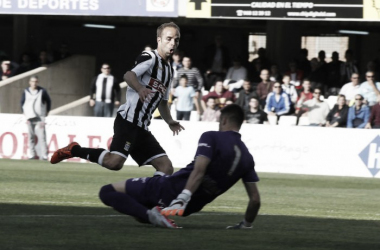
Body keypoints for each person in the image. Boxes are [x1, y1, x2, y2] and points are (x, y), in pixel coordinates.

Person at [50, 22, 184, 176]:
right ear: (159, 39)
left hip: (141, 128)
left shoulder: (169, 71)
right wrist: (140, 88)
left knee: (166, 168)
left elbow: (162, 102)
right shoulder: (149, 57)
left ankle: (152, 198)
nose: (173, 43)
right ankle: (74, 150)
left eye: (177, 40)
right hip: (128, 121)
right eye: (169, 38)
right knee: (114, 163)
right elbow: (129, 75)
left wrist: (170, 121)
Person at [98, 104, 261, 229]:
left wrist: (182, 197)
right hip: (190, 208)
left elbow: (199, 170)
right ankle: (153, 214)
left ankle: (153, 216)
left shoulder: (212, 137)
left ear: (224, 120)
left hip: (169, 189)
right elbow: (255, 200)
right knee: (140, 211)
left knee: (106, 192)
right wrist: (246, 224)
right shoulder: (248, 159)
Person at [20, 76, 51, 160]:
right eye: (32, 81)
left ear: (38, 82)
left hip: (40, 117)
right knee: (31, 136)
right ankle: (32, 154)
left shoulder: (42, 91)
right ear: (30, 82)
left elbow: (48, 101)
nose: (34, 83)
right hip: (29, 117)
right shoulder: (26, 91)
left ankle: (44, 155)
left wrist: (47, 111)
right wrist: (24, 112)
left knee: (42, 136)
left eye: (35, 81)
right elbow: (22, 102)